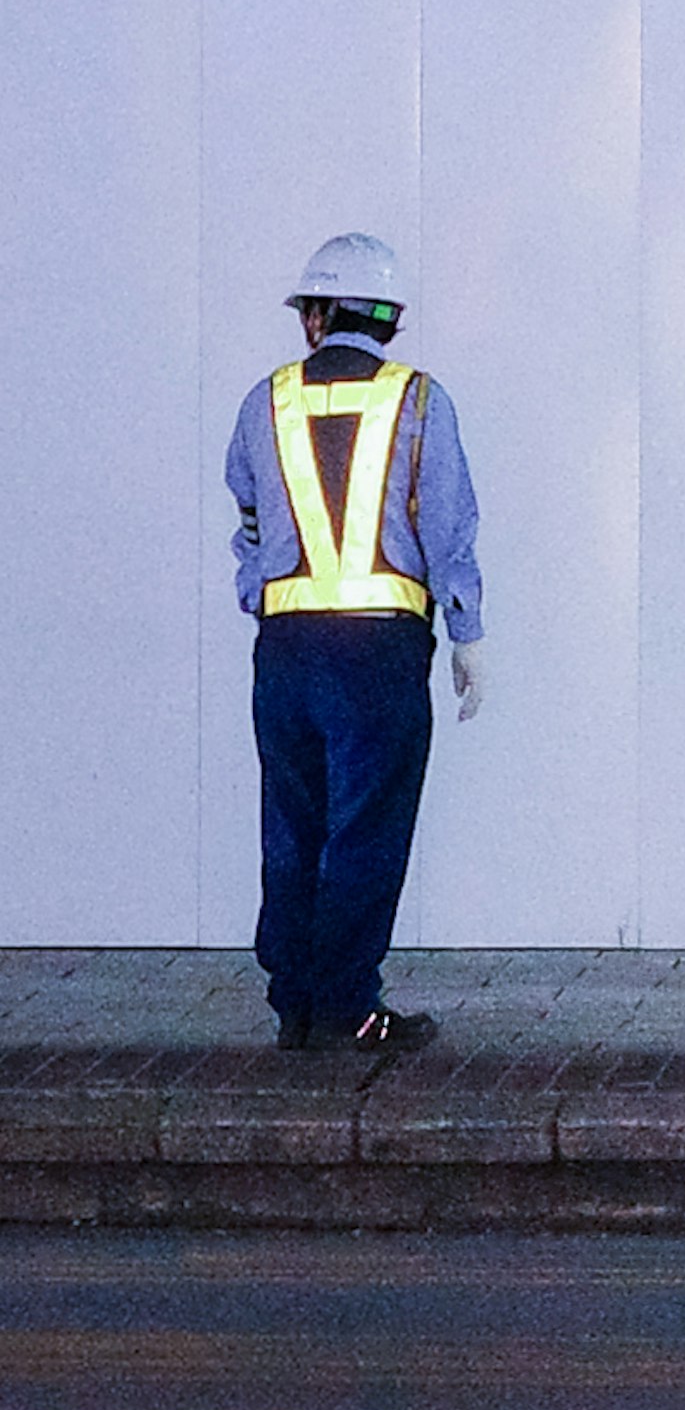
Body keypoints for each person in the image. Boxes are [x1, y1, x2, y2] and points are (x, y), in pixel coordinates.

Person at [223, 234, 488, 1054]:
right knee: (364, 830)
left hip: (288, 647)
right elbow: (446, 528)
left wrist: (263, 597)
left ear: (315, 317)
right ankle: (348, 1007)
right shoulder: (419, 401)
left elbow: (250, 521)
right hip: (378, 651)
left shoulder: (265, 401)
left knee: (292, 826)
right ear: (389, 320)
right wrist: (467, 633)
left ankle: (297, 1006)